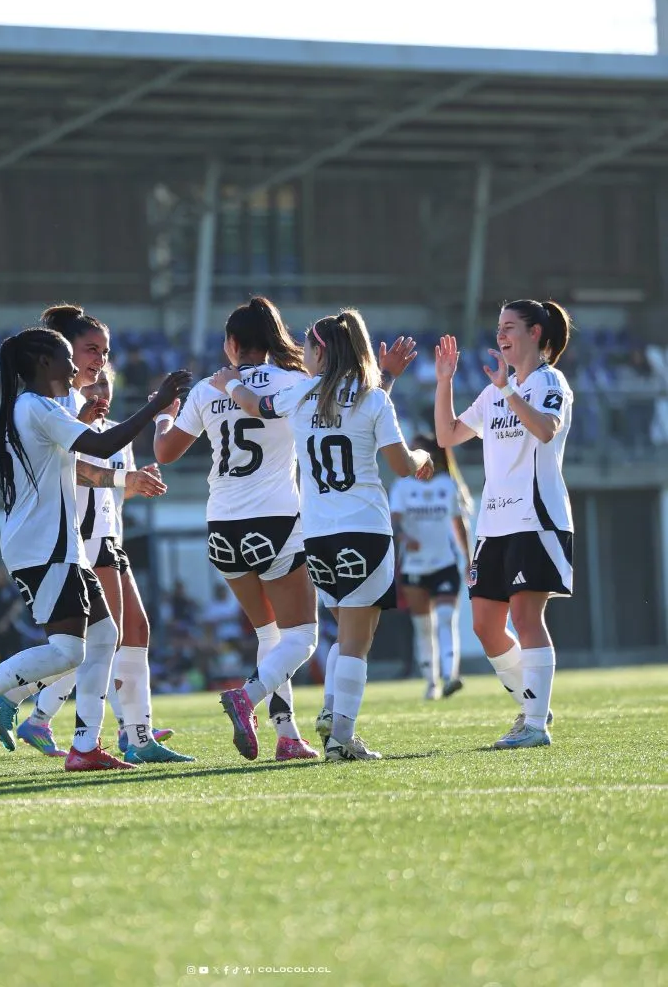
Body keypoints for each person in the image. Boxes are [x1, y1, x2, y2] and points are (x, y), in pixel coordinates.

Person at [0, 324, 190, 771]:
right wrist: (155, 407)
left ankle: (85, 747)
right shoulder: (35, 407)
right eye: (69, 357)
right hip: (43, 548)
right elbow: (106, 444)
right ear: (44, 364)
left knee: (105, 636)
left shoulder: (37, 408)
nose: (76, 365)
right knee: (69, 649)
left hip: (58, 547)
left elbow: (73, 460)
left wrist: (86, 422)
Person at [209, 307, 433, 762]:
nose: (303, 355)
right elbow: (399, 465)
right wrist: (423, 456)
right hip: (365, 529)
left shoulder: (302, 395)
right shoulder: (373, 398)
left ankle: (332, 718)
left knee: (347, 631)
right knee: (356, 639)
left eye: (308, 347)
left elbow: (255, 406)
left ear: (322, 352)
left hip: (316, 536)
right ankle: (335, 736)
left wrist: (228, 382)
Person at [154, 296, 321, 762]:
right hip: (276, 520)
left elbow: (165, 453)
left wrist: (164, 413)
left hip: (221, 524)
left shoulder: (209, 389)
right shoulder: (294, 382)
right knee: (302, 637)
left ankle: (287, 737)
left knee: (269, 634)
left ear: (231, 343)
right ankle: (248, 698)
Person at [2, 361, 191, 763]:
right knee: (105, 640)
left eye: (106, 382)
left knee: (130, 631)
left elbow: (112, 493)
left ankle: (127, 729)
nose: (99, 389)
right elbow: (74, 475)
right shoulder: (65, 421)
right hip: (82, 541)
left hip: (109, 537)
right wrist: (128, 479)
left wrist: (138, 483)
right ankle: (117, 731)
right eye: (94, 381)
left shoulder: (116, 433)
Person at [434, 299, 574, 749]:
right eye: (499, 327)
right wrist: (444, 382)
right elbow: (448, 436)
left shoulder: (549, 381)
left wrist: (510, 392)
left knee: (525, 615)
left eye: (510, 326)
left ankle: (535, 724)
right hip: (494, 524)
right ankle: (533, 703)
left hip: (536, 518)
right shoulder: (496, 389)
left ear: (536, 333)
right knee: (484, 624)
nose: (501, 335)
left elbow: (546, 428)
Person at [389, 435, 472, 700]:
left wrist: (469, 559)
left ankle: (451, 676)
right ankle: (431, 683)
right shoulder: (402, 487)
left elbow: (459, 524)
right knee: (424, 625)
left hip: (444, 563)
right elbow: (395, 522)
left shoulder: (447, 485)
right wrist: (404, 538)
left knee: (447, 619)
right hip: (414, 566)